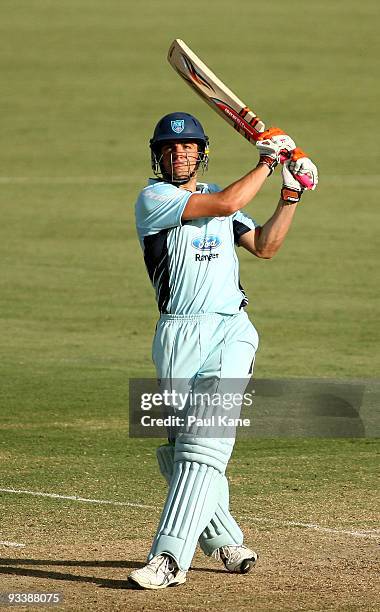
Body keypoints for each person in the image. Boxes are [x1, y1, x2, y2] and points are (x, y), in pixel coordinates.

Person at [129, 112, 318, 589]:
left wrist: (290, 194)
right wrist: (268, 162)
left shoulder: (224, 199)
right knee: (179, 452)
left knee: (205, 442)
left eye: (189, 147)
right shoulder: (155, 199)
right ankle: (224, 539)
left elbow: (266, 246)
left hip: (231, 330)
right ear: (159, 156)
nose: (180, 155)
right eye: (171, 149)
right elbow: (226, 201)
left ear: (201, 151)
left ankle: (168, 559)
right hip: (177, 337)